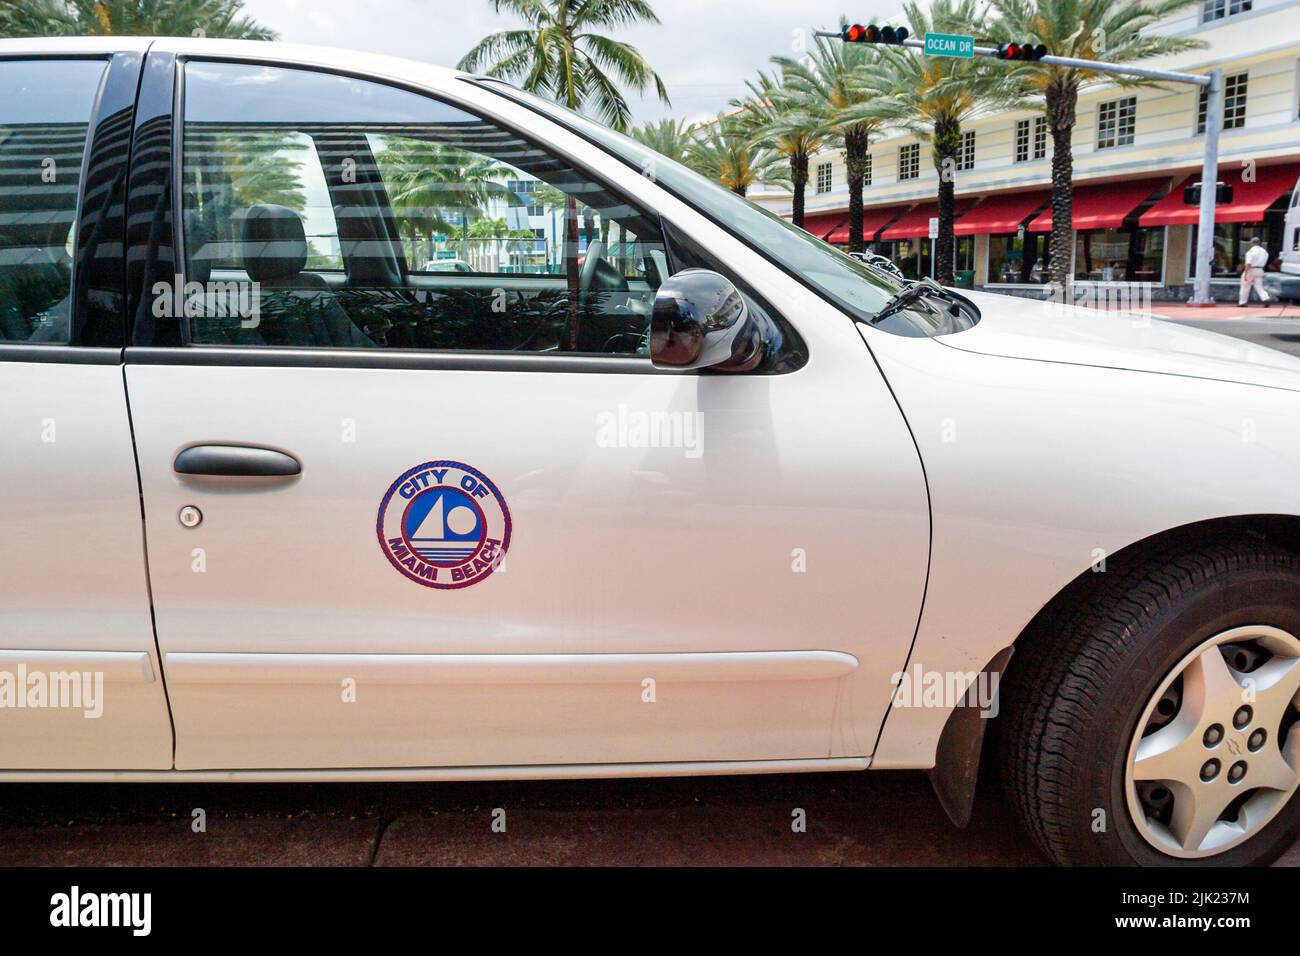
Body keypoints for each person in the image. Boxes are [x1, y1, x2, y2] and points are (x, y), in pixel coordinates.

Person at [1239, 236, 1272, 307]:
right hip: (1260, 269)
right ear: (1259, 243)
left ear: (1252, 243)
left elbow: (1248, 264)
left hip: (1251, 269)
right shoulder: (1264, 252)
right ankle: (1265, 298)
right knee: (1259, 286)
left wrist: (1245, 273)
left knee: (1245, 285)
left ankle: (1242, 302)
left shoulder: (1250, 251)